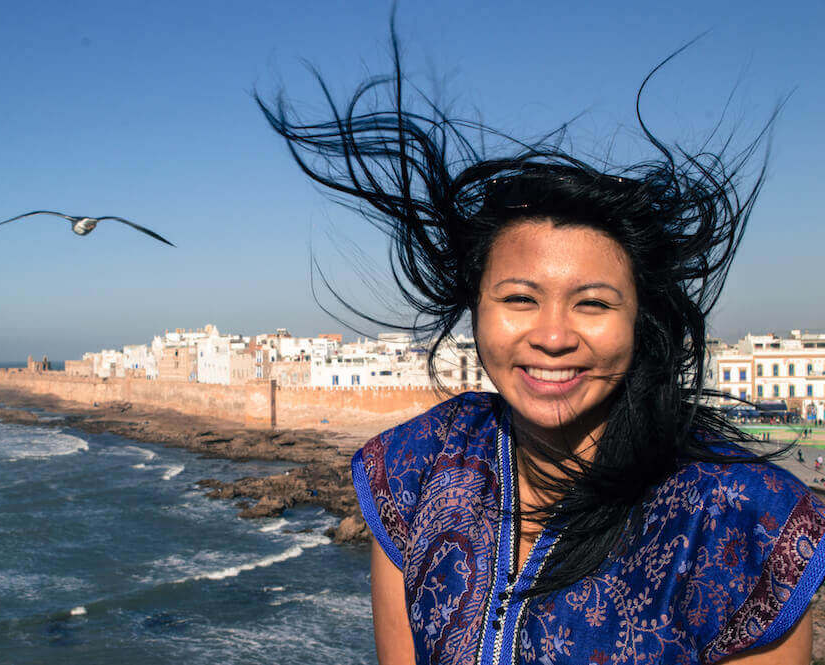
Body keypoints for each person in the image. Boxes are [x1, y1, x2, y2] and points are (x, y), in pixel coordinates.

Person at [261, 24, 824, 665]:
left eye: (593, 303)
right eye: (519, 299)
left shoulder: (738, 521)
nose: (553, 337)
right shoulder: (415, 469)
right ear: (476, 311)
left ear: (642, 322)